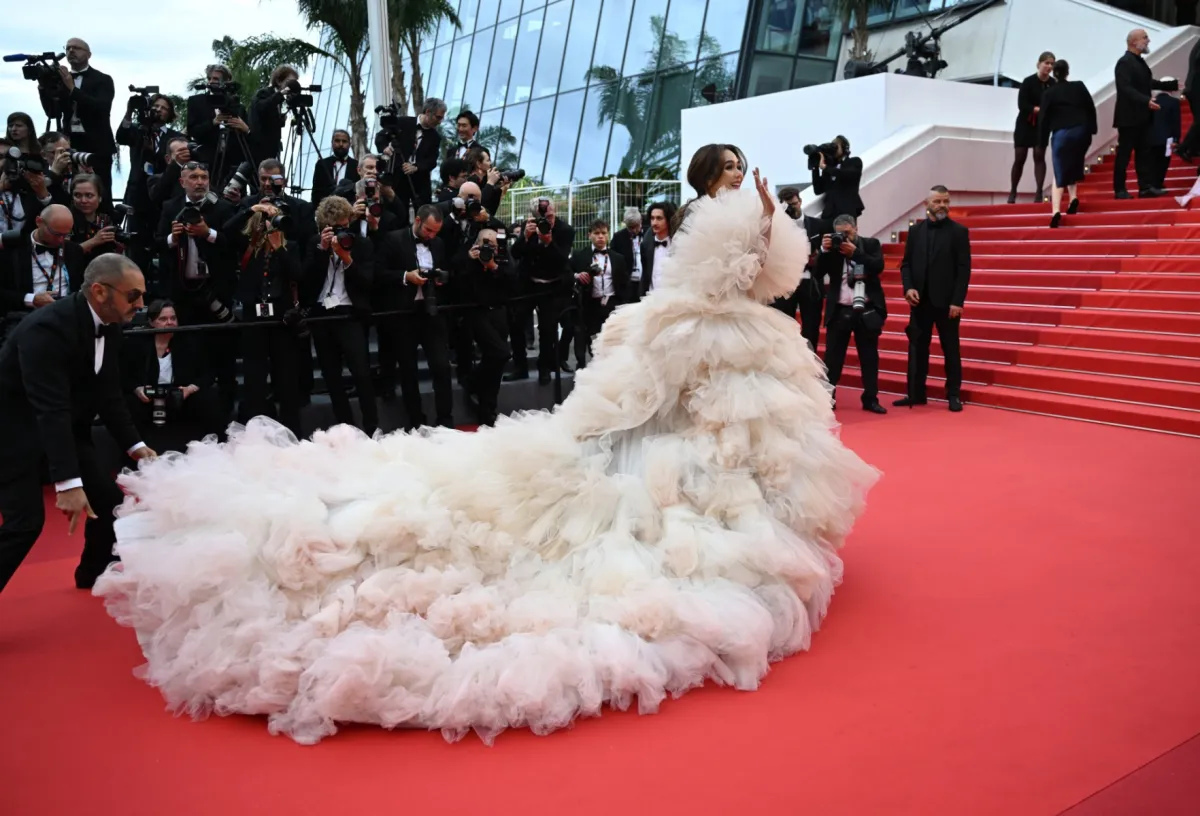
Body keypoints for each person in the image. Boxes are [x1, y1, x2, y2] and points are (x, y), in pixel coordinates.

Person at [92, 143, 877, 747]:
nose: (738, 172)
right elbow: (716, 278)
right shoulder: (705, 218)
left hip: (726, 342)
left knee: (730, 445)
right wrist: (760, 221)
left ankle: (722, 507)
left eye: (740, 165)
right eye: (728, 166)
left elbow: (763, 277)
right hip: (693, 337)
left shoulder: (735, 214)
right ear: (708, 177)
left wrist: (768, 221)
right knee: (642, 450)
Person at [0, 254, 156, 594]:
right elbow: (50, 408)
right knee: (23, 525)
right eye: (133, 295)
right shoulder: (45, 329)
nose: (140, 304)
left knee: (109, 505)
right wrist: (68, 483)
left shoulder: (111, 326)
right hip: (13, 433)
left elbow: (108, 393)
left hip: (66, 428)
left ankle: (91, 576)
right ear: (100, 291)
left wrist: (136, 446)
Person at [896, 185, 971, 412]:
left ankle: (953, 395)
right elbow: (906, 264)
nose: (942, 206)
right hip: (920, 302)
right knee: (917, 349)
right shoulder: (915, 232)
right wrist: (908, 288)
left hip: (947, 303)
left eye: (946, 201)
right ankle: (916, 393)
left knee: (951, 350)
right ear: (926, 204)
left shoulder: (959, 232)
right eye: (938, 201)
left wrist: (957, 301)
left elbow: (964, 270)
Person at [818, 215, 886, 414]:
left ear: (856, 228)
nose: (844, 238)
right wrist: (823, 250)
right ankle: (828, 399)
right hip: (839, 310)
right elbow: (817, 273)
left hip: (866, 309)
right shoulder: (833, 249)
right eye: (840, 234)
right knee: (832, 359)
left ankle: (871, 399)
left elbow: (878, 266)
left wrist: (856, 253)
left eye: (848, 233)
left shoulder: (870, 244)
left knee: (869, 358)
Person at [1112, 29, 1177, 199]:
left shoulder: (1139, 62)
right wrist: (1146, 100)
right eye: (1145, 38)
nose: (1148, 41)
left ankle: (1145, 187)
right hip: (1128, 118)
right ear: (1134, 42)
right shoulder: (1124, 62)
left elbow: (1146, 82)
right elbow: (1125, 88)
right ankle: (1120, 189)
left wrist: (1168, 85)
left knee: (1144, 153)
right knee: (1124, 154)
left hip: (1142, 116)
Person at [1038, 60, 1098, 228]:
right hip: (1081, 131)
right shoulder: (1079, 86)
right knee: (1071, 164)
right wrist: (1092, 129)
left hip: (1061, 134)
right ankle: (1073, 198)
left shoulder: (1049, 93)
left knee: (1059, 170)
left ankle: (1056, 211)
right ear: (1067, 72)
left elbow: (1043, 118)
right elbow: (1090, 107)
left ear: (1054, 73)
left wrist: (1042, 142)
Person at [1010, 52, 1056, 205]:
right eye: (1046, 63)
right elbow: (1022, 104)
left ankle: (1039, 192)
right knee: (1020, 157)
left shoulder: (1053, 84)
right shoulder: (1028, 81)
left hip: (1042, 124)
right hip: (1025, 123)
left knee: (1039, 155)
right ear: (1039, 64)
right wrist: (1038, 109)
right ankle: (1013, 191)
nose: (1049, 66)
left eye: (1051, 64)